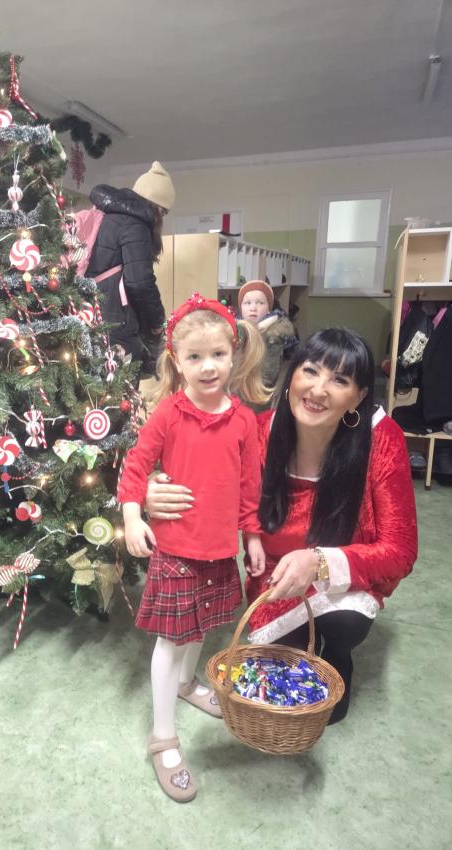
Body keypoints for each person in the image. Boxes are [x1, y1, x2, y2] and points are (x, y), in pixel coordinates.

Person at [145, 328, 418, 726]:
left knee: (343, 626)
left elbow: (401, 550)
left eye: (339, 380)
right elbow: (204, 479)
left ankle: (336, 657)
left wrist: (320, 562)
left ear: (358, 397)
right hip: (275, 579)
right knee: (280, 673)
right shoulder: (257, 431)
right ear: (293, 375)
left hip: (344, 576)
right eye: (310, 371)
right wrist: (155, 490)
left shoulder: (381, 439)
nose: (318, 390)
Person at [118, 293, 270, 802]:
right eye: (195, 357)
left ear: (234, 354)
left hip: (220, 551)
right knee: (171, 638)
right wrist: (133, 515)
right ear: (177, 361)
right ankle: (163, 737)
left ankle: (187, 684)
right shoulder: (168, 414)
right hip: (176, 550)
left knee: (202, 627)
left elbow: (250, 485)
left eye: (218, 354)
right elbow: (136, 466)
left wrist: (251, 536)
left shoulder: (244, 420)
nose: (209, 367)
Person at [86, 161, 174, 378]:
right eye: (163, 212)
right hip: (116, 320)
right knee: (121, 388)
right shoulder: (135, 223)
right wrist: (157, 320)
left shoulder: (109, 214)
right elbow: (139, 282)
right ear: (157, 207)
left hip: (90, 311)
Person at [237, 279, 297, 402]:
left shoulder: (275, 333)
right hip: (238, 390)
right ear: (241, 307)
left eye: (260, 303)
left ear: (268, 308)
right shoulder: (234, 330)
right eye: (247, 303)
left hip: (264, 392)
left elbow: (271, 375)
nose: (253, 308)